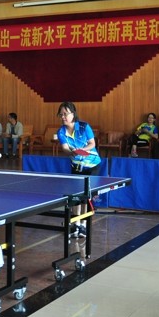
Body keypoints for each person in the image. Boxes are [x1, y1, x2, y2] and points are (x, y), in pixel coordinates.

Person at [56, 101, 101, 260]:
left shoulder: (84, 126)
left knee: (85, 196)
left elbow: (92, 143)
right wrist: (72, 152)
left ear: (73, 114)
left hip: (92, 165)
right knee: (75, 196)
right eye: (61, 114)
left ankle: (83, 224)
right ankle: (76, 224)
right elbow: (65, 148)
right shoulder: (61, 131)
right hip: (76, 165)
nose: (63, 117)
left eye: (65, 113)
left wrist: (81, 150)